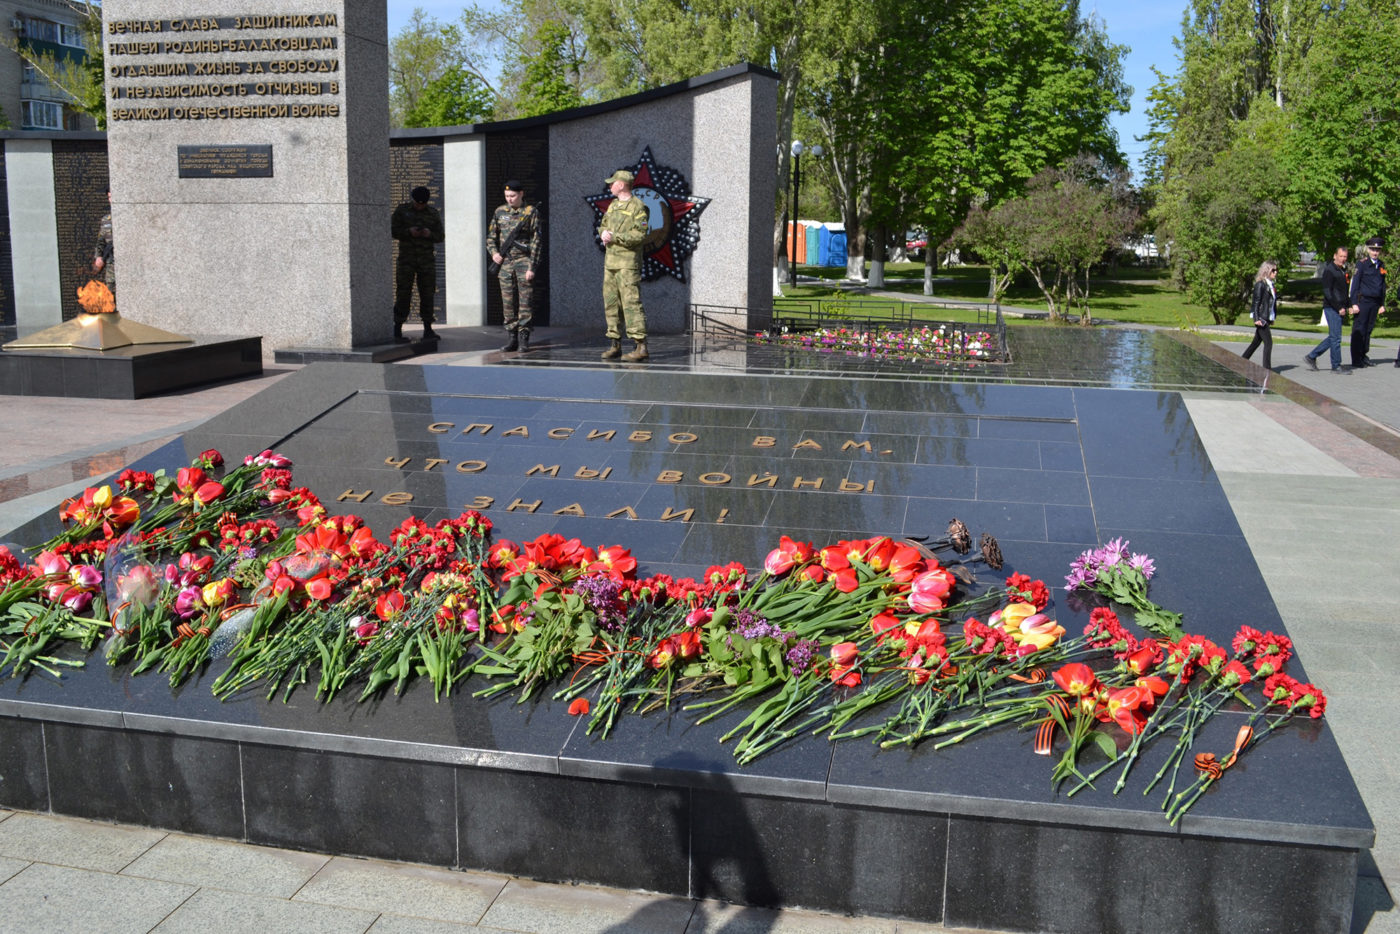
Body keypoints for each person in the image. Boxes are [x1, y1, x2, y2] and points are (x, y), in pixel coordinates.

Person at [597, 169, 651, 361]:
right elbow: (603, 224)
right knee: (611, 303)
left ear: (621, 184)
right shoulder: (612, 205)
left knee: (631, 303)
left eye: (612, 183)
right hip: (610, 263)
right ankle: (615, 344)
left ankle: (640, 346)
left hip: (627, 263)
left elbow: (640, 235)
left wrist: (615, 237)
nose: (609, 186)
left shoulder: (638, 207)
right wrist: (603, 232)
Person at [486, 179, 542, 352]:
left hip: (523, 261)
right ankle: (512, 337)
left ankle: (524, 337)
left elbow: (536, 241)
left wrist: (532, 266)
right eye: (507, 196)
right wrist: (494, 253)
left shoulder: (530, 212)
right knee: (507, 301)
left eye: (513, 196)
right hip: (505, 262)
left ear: (521, 194)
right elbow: (490, 237)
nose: (509, 199)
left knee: (525, 300)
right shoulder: (500, 211)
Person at [391, 186, 445, 342]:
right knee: (403, 293)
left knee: (427, 294)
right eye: (417, 203)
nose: (420, 206)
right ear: (413, 200)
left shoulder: (433, 213)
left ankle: (428, 329)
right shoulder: (402, 211)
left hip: (426, 261)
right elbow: (392, 230)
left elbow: (440, 236)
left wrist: (429, 234)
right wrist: (409, 232)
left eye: (423, 204)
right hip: (406, 260)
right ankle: (397, 329)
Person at [1304, 246, 1353, 373]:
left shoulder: (1342, 270)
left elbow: (1344, 292)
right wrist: (1339, 307)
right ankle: (1336, 365)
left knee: (1334, 337)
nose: (1343, 259)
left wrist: (1349, 305)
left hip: (1340, 307)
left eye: (1345, 257)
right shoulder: (1329, 271)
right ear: (1335, 256)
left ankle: (1311, 356)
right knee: (1336, 338)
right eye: (1341, 256)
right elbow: (1328, 292)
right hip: (1332, 308)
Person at [1348, 236, 1386, 367]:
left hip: (1375, 303)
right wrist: (1353, 303)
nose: (1375, 252)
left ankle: (1363, 354)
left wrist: (1382, 304)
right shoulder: (1362, 264)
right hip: (1363, 301)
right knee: (1359, 329)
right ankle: (1356, 358)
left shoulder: (1381, 265)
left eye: (1377, 250)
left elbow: (1382, 286)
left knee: (1368, 330)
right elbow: (1355, 285)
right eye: (1372, 249)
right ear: (1368, 250)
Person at [1241, 259, 1278, 371]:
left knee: (1255, 343)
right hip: (1261, 318)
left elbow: (1271, 304)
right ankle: (1267, 369)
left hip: (1266, 317)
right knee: (1268, 343)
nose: (1276, 272)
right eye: (1273, 270)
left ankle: (1242, 360)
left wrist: (1272, 318)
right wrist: (1256, 319)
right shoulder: (1260, 285)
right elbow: (1256, 303)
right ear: (1267, 270)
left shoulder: (1270, 285)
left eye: (1276, 270)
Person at [92, 187, 114, 295]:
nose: (110, 200)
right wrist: (99, 256)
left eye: (112, 197)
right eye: (109, 197)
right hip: (111, 264)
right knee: (111, 293)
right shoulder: (106, 220)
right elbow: (101, 241)